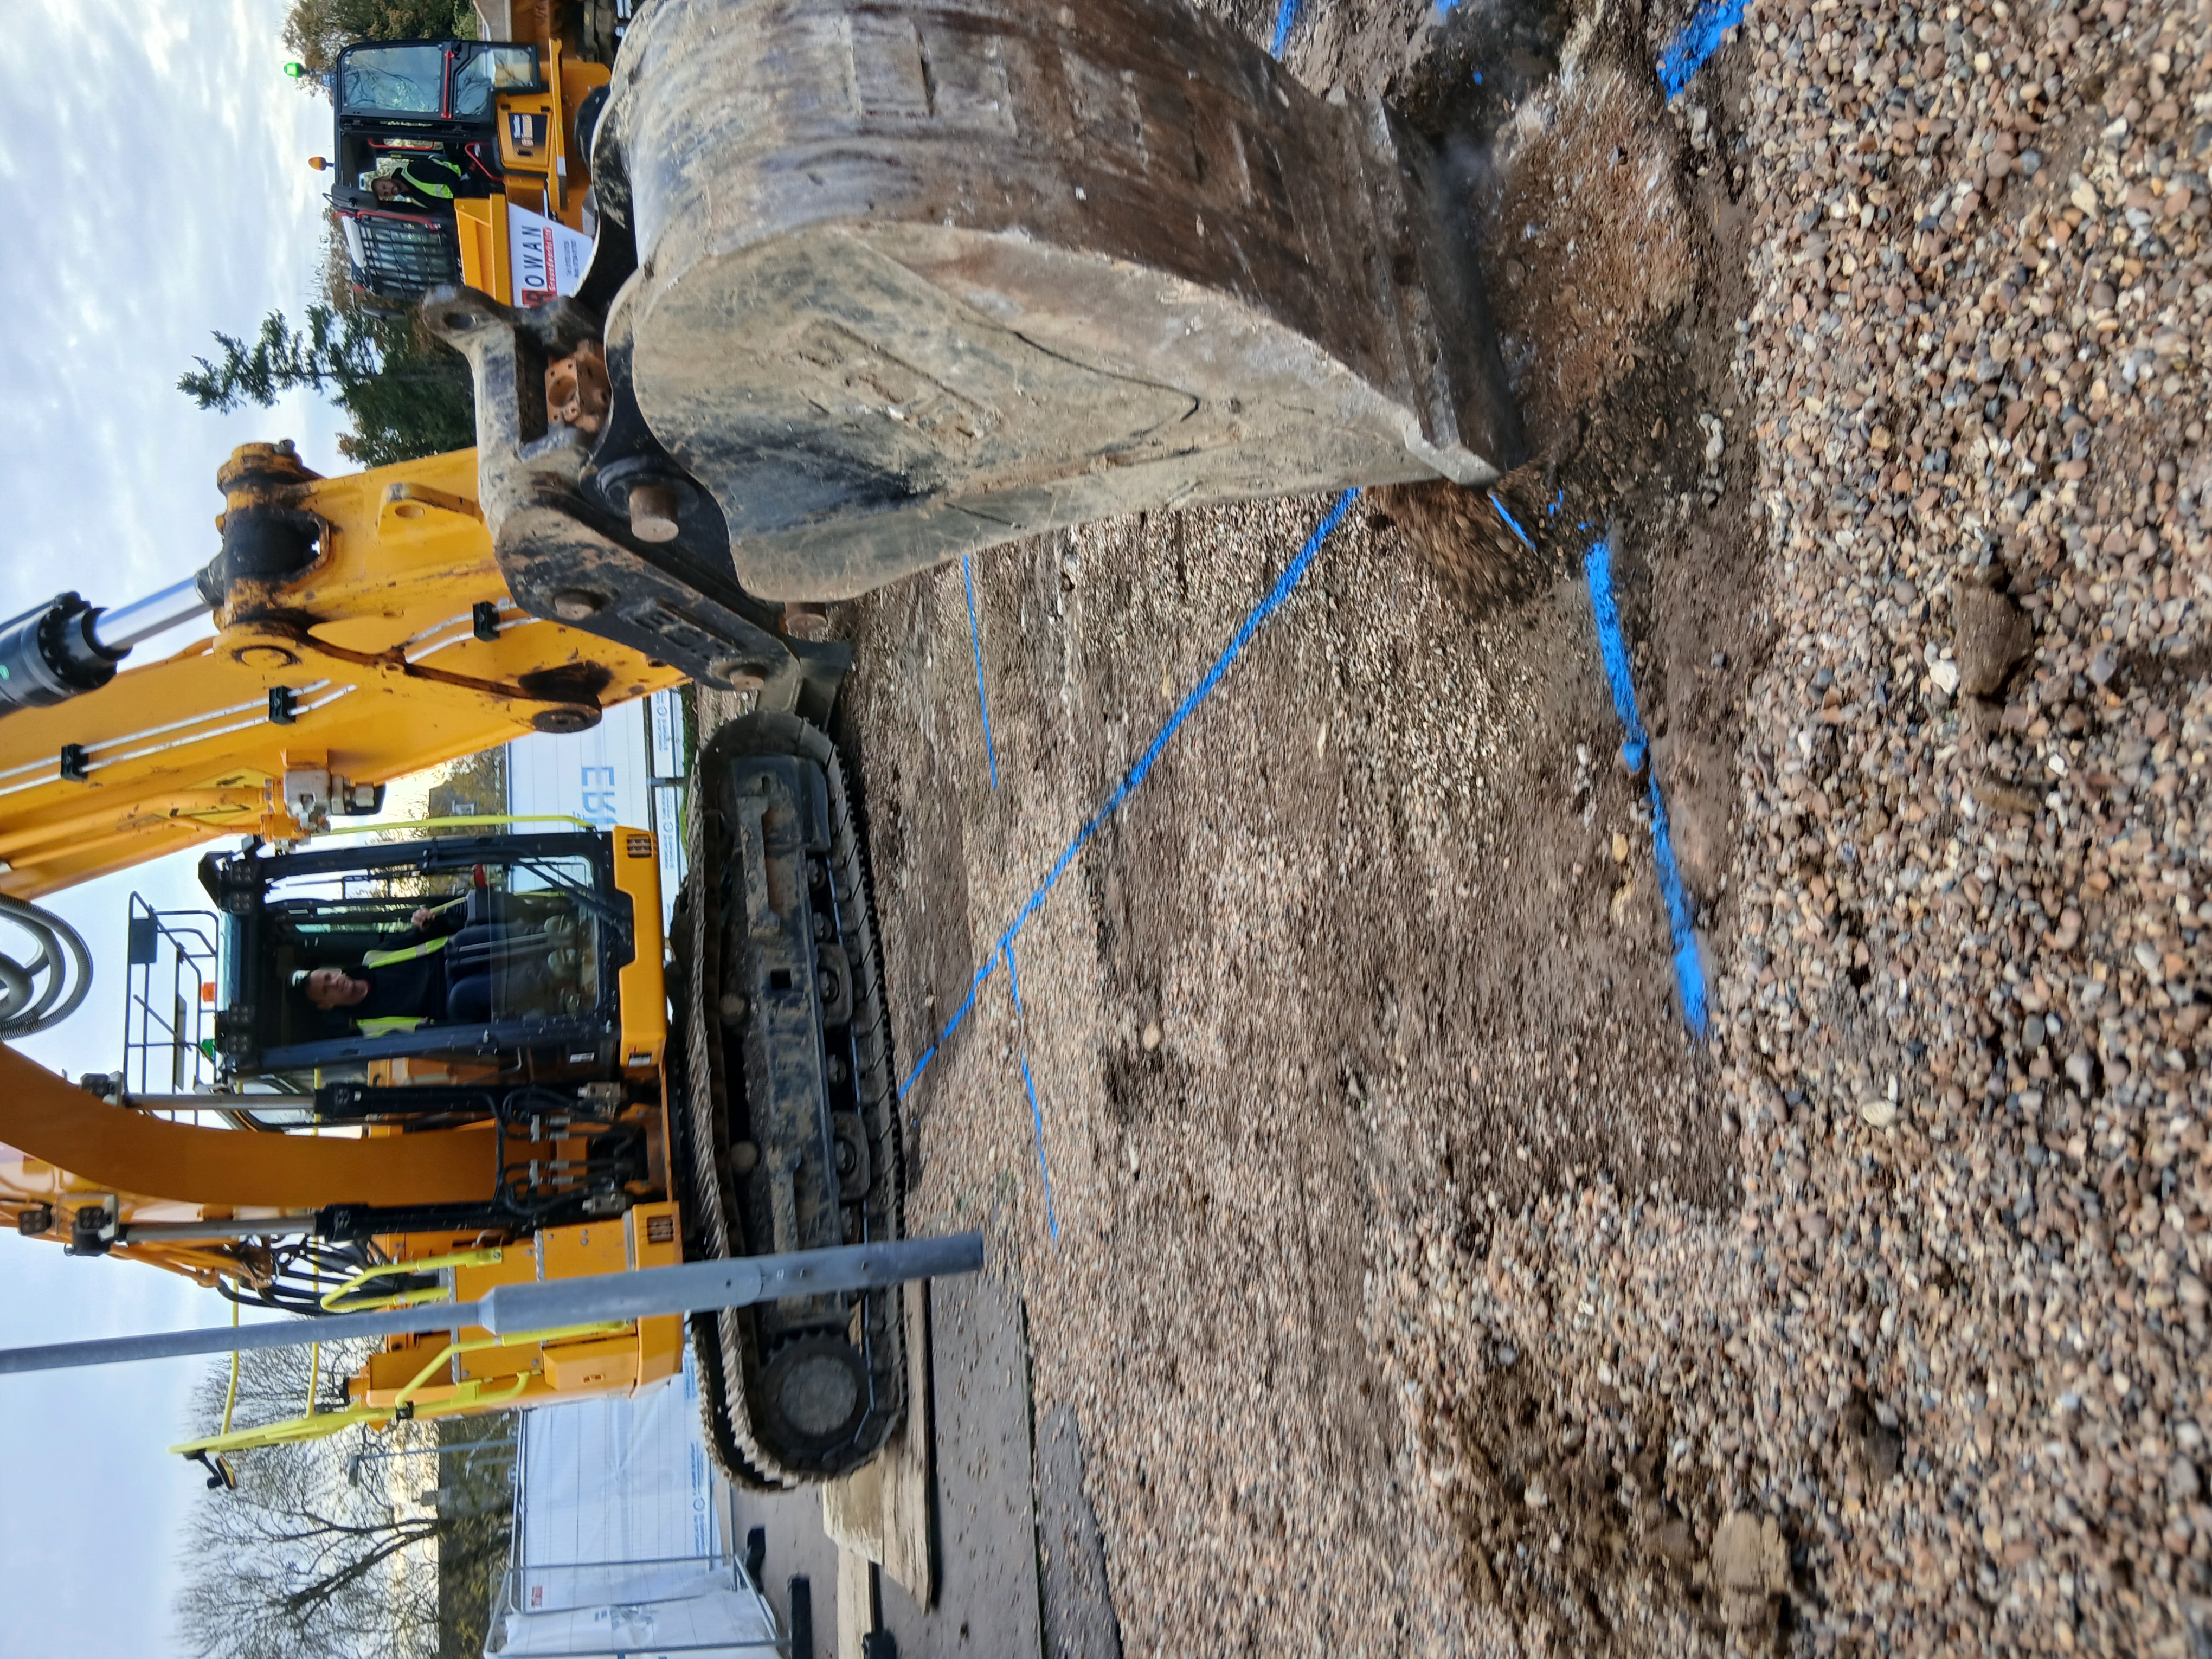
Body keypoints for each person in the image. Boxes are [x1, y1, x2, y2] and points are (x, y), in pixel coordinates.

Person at [297, 871, 565, 1032]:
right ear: (327, 1005)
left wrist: (424, 924)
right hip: (449, 1005)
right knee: (463, 992)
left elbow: (418, 936)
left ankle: (553, 932)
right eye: (326, 989)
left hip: (448, 958)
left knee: (462, 941)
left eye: (329, 977)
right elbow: (423, 1040)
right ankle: (555, 968)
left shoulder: (373, 959)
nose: (335, 982)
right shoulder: (373, 1029)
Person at [369, 150, 487, 210]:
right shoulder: (413, 198)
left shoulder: (414, 169)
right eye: (385, 194)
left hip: (470, 181)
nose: (389, 191)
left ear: (386, 178)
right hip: (468, 200)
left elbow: (448, 176)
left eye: (385, 187)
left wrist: (461, 202)